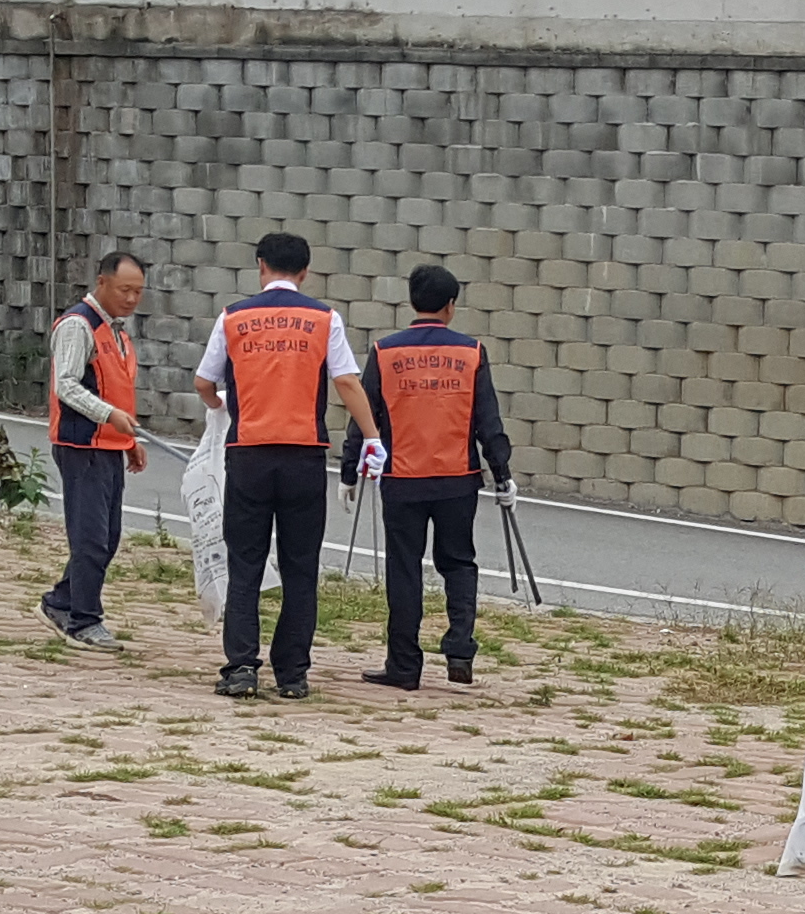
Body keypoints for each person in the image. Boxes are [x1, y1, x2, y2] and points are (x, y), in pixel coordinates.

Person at [192, 231, 378, 698]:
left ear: (260, 266)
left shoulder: (233, 317)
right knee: (300, 567)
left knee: (246, 562)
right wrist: (372, 436)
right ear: (305, 272)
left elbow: (203, 381)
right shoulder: (324, 319)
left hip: (248, 454)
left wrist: (221, 404)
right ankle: (292, 674)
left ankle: (240, 668)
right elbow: (348, 383)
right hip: (303, 455)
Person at [358, 260, 513, 689]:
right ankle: (460, 649)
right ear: (451, 306)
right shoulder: (471, 352)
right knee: (459, 562)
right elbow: (488, 420)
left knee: (404, 568)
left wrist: (352, 469)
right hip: (457, 479)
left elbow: (365, 414)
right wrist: (502, 473)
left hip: (402, 479)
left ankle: (404, 667)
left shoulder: (385, 352)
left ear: (412, 301)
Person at [37, 247, 149, 650]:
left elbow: (116, 385)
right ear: (101, 282)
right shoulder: (77, 325)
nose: (132, 299)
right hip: (80, 443)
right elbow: (65, 385)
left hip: (109, 445)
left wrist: (129, 440)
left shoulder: (116, 330)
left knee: (109, 535)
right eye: (124, 290)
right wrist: (107, 415)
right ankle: (83, 620)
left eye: (138, 291)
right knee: (90, 536)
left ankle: (62, 599)